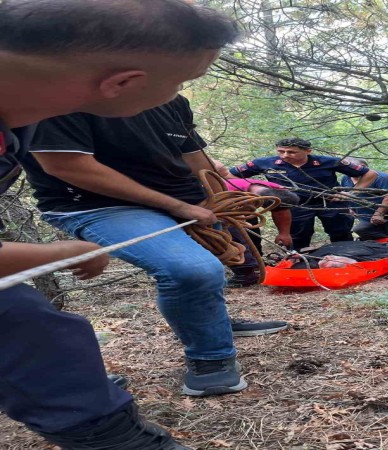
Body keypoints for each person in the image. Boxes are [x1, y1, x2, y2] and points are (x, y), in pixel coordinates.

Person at [0, 0, 238, 448]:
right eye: (182, 82)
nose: (178, 93)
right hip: (98, 209)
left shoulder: (19, 116)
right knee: (21, 320)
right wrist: (59, 252)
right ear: (123, 82)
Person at [24, 94, 292, 394]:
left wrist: (218, 202)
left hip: (188, 199)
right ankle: (210, 357)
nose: (178, 86)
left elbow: (195, 157)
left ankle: (212, 323)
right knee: (191, 270)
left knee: (208, 265)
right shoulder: (61, 95)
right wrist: (178, 207)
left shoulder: (171, 98)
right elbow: (68, 166)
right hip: (100, 205)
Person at [229, 138, 377, 250]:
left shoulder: (327, 161)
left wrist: (350, 193)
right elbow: (231, 176)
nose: (285, 155)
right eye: (281, 151)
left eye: (291, 152)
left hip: (331, 203)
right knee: (297, 237)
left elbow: (369, 174)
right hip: (295, 206)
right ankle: (299, 263)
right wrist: (253, 191)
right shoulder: (265, 163)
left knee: (341, 233)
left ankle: (347, 258)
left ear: (308, 151)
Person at [213, 159, 300, 286]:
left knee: (248, 235)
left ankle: (251, 269)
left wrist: (284, 233)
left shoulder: (277, 189)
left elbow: (281, 210)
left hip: (245, 208)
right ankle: (247, 270)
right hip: (223, 210)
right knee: (229, 234)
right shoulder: (224, 189)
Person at [339, 157, 388, 241]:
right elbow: (347, 193)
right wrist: (350, 207)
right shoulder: (346, 178)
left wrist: (379, 213)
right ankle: (385, 242)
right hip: (366, 214)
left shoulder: (383, 178)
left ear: (362, 166)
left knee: (362, 229)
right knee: (366, 231)